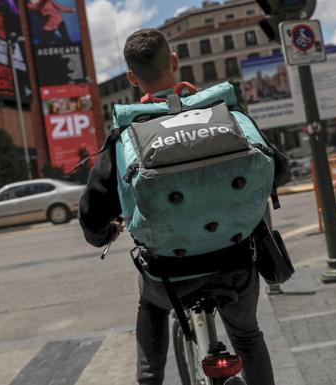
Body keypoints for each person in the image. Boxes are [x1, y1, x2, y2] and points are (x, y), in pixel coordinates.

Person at [79, 29, 280, 385]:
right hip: (235, 260)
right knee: (248, 337)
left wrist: (103, 234)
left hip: (168, 274)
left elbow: (92, 212)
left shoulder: (129, 132)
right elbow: (277, 168)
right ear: (174, 61)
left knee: (151, 311)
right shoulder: (222, 113)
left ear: (130, 76)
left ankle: (150, 379)